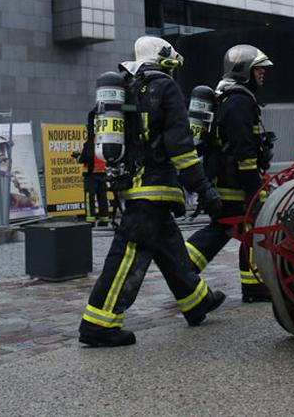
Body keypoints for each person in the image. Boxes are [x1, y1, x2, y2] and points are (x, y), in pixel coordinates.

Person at [78, 37, 226, 347]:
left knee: (170, 249)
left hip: (132, 184)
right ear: (166, 61)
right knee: (129, 251)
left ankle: (196, 301)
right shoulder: (165, 87)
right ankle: (99, 323)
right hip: (154, 186)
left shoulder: (129, 87)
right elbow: (181, 147)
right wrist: (205, 190)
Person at [185, 44, 273, 303]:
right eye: (259, 69)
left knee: (232, 229)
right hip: (234, 184)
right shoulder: (239, 101)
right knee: (248, 228)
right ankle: (182, 270)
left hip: (226, 181)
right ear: (244, 70)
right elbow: (243, 150)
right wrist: (254, 188)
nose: (263, 74)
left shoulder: (231, 97)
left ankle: (185, 270)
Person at [77, 107, 112, 226]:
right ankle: (104, 220)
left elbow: (85, 158)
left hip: (91, 176)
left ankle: (90, 220)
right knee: (102, 198)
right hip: (102, 175)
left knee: (89, 199)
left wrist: (77, 157)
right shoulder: (105, 142)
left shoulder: (90, 143)